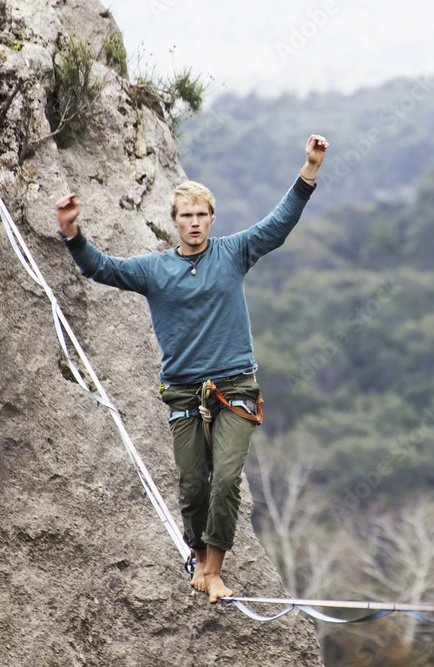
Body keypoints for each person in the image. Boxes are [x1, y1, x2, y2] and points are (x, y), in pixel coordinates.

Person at [56, 134, 328, 603]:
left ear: (212, 219)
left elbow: (279, 225)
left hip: (235, 388)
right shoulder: (154, 270)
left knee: (225, 480)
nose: (195, 222)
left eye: (202, 215)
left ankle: (214, 569)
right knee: (191, 486)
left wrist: (310, 170)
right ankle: (198, 559)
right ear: (175, 223)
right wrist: (71, 233)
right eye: (187, 216)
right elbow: (100, 268)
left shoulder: (234, 252)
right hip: (184, 393)